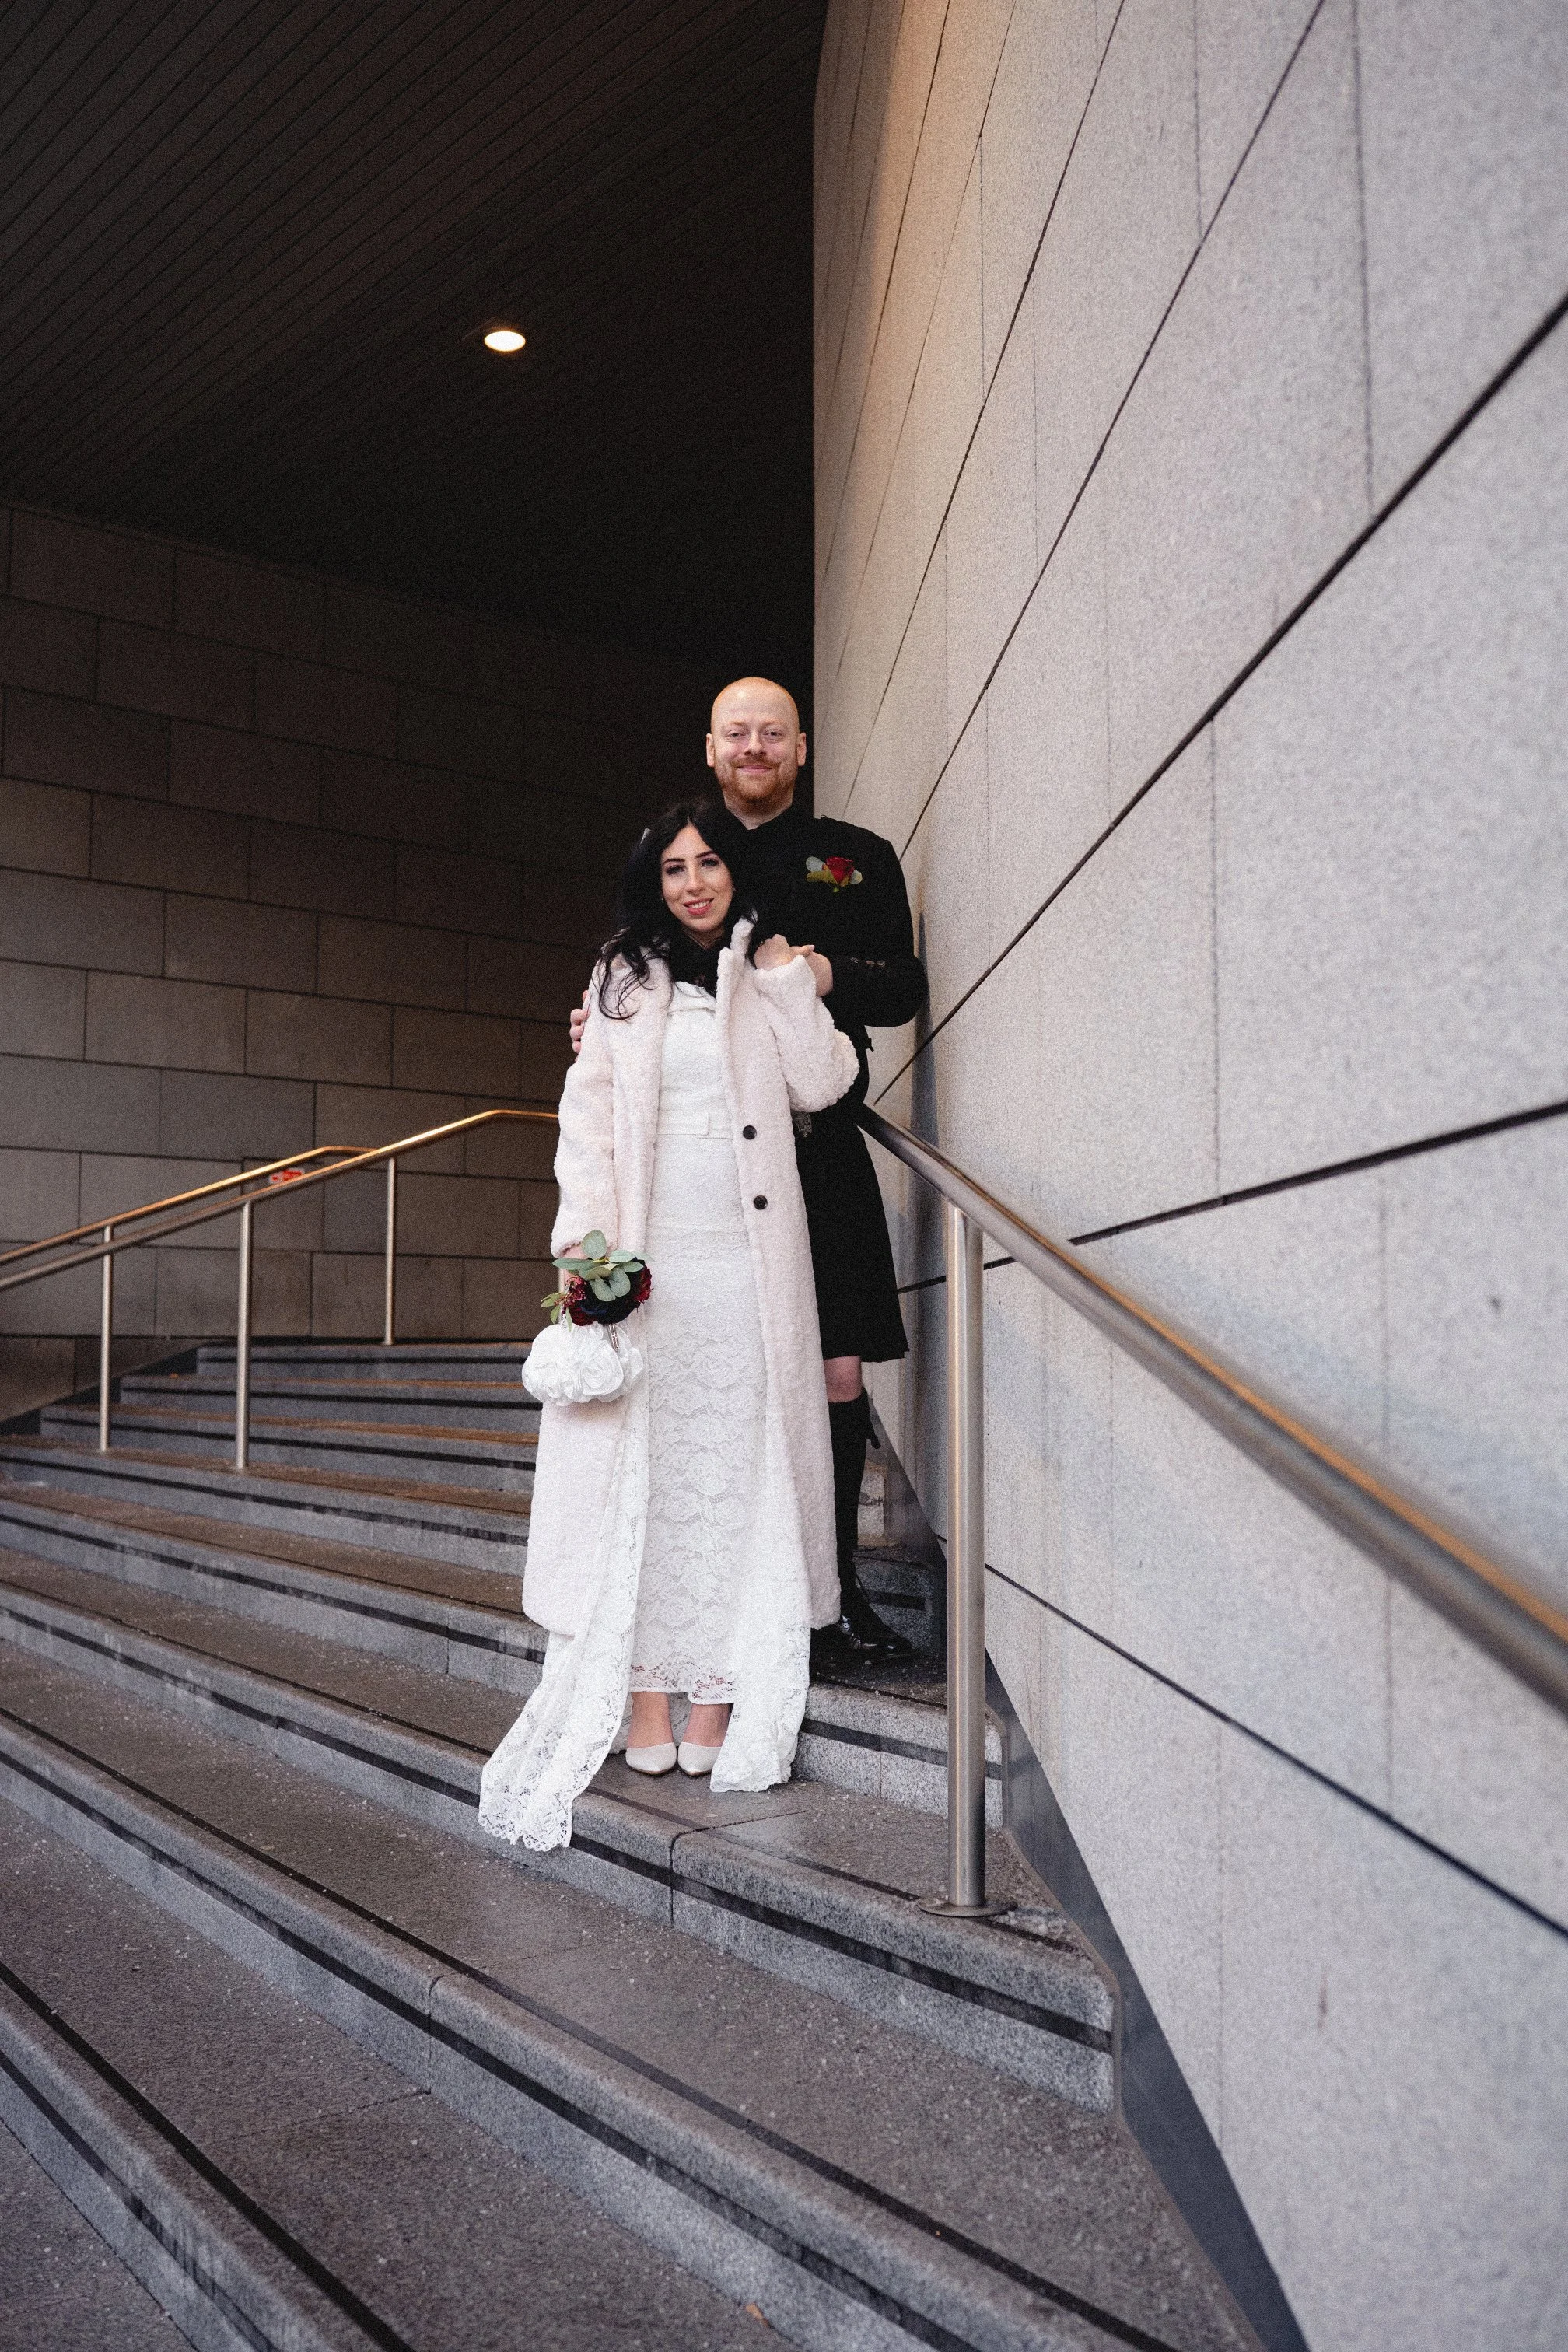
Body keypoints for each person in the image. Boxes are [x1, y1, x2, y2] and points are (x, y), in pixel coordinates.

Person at [480, 800, 858, 1852]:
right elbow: (587, 1128)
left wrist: (786, 972)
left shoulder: (759, 968)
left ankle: (722, 1688)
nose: (693, 882)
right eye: (674, 868)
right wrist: (585, 1255)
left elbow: (825, 1082)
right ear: (654, 882)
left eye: (709, 864)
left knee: (731, 1474)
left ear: (736, 873)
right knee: (648, 1475)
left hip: (747, 1271)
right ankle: (646, 1691)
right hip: (651, 1268)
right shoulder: (620, 981)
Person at [572, 677, 927, 1668]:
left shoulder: (859, 857)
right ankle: (725, 1594)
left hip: (818, 1146)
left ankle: (834, 1596)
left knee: (834, 1370)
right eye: (740, 733)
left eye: (774, 733)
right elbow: (636, 977)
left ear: (802, 748)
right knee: (718, 1374)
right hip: (704, 1176)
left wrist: (821, 976)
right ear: (712, 747)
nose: (757, 747)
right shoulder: (685, 855)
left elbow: (902, 989)